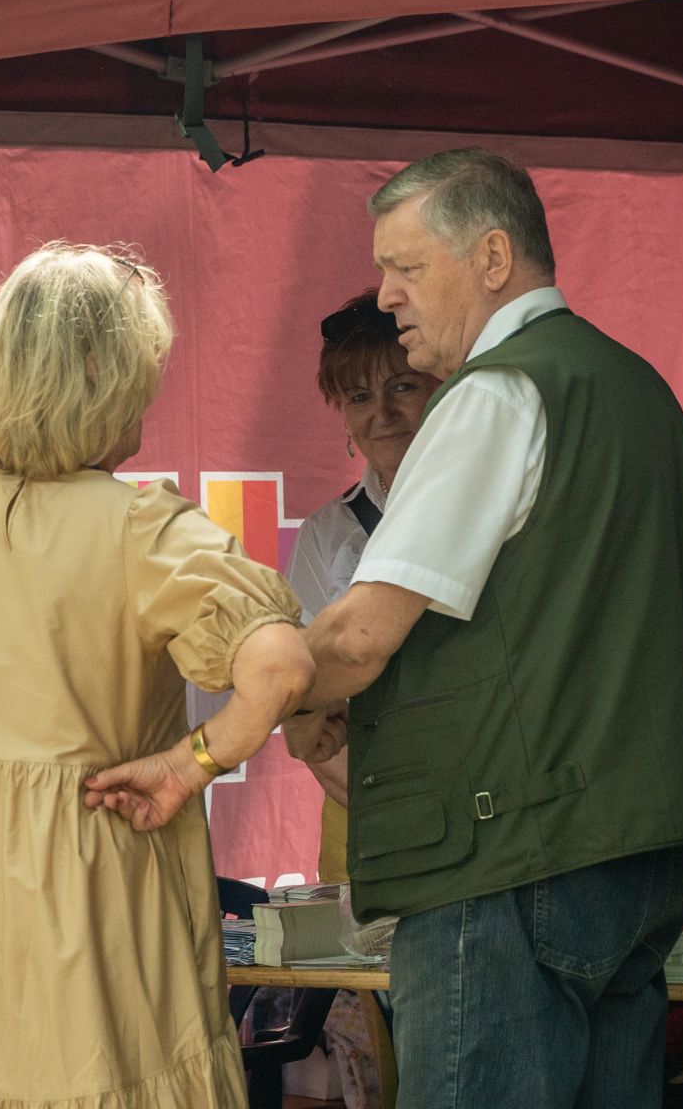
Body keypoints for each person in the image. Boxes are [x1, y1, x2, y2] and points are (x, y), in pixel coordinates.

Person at [284, 148, 683, 1108]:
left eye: (407, 267)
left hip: (506, 860)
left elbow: (358, 638)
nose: (385, 295)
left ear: (494, 257)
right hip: (630, 855)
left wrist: (235, 712)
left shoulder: (493, 394)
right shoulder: (633, 385)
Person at [0, 242, 315, 1109]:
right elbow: (282, 668)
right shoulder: (143, 527)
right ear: (103, 371)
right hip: (105, 871)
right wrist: (192, 763)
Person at [282, 290, 440, 1107]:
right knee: (372, 1058)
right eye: (357, 395)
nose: (383, 412)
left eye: (402, 385)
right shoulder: (326, 535)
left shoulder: (481, 509)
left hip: (479, 830)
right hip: (364, 834)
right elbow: (309, 714)